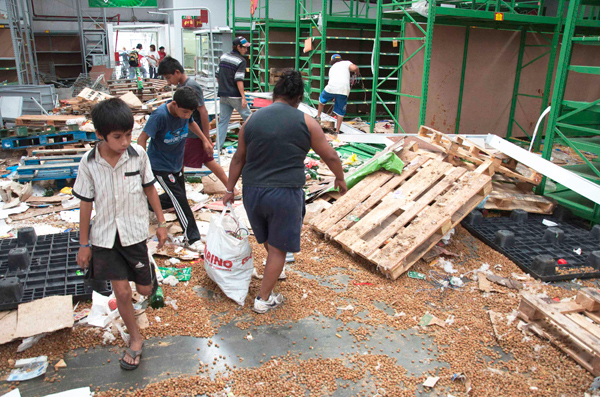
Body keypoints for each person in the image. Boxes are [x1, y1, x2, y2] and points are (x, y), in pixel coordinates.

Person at [223, 69, 347, 314]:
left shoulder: (251, 121)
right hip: (284, 193)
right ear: (298, 97)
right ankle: (263, 299)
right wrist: (340, 179)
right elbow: (330, 155)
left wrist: (229, 189)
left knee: (270, 241)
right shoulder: (306, 121)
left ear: (274, 94)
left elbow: (238, 157)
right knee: (280, 248)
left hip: (253, 192)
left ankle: (272, 271)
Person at [74, 98, 168, 370]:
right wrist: (84, 244)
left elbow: (150, 189)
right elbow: (84, 203)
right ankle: (135, 339)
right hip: (105, 237)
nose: (125, 141)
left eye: (128, 134)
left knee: (144, 289)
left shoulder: (138, 155)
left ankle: (149, 276)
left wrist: (161, 223)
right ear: (100, 135)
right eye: (118, 137)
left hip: (135, 233)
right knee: (123, 292)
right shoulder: (89, 162)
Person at [138, 87, 233, 251]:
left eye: (190, 112)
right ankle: (192, 238)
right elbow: (141, 138)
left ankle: (145, 204)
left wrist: (204, 139)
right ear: (174, 104)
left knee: (174, 196)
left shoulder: (186, 114)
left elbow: (191, 123)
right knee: (181, 201)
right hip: (160, 165)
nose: (186, 116)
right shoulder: (160, 116)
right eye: (184, 112)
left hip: (176, 162)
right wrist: (142, 165)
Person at [216, 36, 252, 149]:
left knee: (223, 122)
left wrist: (224, 87)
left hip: (223, 95)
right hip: (235, 96)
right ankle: (255, 144)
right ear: (238, 47)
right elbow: (239, 80)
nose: (246, 50)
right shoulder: (241, 61)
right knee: (250, 119)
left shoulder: (223, 57)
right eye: (244, 48)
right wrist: (243, 97)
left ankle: (217, 148)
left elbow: (218, 76)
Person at [316, 54, 359, 133]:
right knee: (340, 112)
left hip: (331, 87)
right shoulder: (346, 63)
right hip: (343, 90)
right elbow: (355, 68)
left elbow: (334, 81)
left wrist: (334, 95)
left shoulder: (332, 68)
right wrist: (357, 72)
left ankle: (318, 116)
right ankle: (337, 131)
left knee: (321, 100)